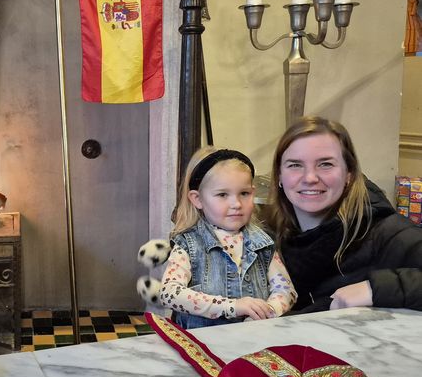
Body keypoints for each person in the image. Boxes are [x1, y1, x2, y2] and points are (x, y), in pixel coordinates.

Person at [264, 116, 422, 313]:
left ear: (349, 173)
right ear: (279, 175)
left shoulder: (384, 231)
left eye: (326, 164)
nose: (310, 178)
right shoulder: (264, 237)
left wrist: (374, 289)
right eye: (295, 165)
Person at [158, 147, 297, 329]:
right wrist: (232, 307)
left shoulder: (262, 242)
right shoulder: (189, 244)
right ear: (197, 199)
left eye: (244, 193)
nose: (236, 204)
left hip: (254, 342)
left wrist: (268, 310)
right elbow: (169, 293)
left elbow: (286, 290)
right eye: (223, 194)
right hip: (200, 347)